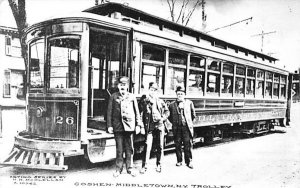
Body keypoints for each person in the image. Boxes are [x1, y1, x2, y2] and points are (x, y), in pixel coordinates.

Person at [107, 76, 144, 177]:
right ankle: (118, 169)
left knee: (129, 149)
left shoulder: (132, 97)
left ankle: (130, 168)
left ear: (127, 86)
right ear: (118, 86)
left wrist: (138, 125)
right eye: (120, 85)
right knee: (119, 149)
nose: (122, 87)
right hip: (118, 127)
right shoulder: (113, 96)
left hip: (129, 127)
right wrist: (109, 126)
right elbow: (109, 112)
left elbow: (137, 112)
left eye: (124, 85)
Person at [138, 82, 169, 174]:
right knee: (147, 145)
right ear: (149, 90)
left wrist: (163, 119)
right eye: (151, 90)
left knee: (160, 146)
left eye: (155, 90)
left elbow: (167, 112)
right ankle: (144, 166)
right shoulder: (145, 100)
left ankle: (159, 165)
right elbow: (139, 111)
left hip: (159, 125)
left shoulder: (160, 101)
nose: (153, 92)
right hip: (149, 126)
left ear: (157, 92)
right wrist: (141, 126)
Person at [168, 86, 196, 169]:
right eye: (178, 94)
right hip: (177, 128)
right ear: (176, 95)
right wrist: (175, 123)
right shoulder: (172, 105)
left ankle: (189, 161)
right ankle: (179, 161)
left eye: (181, 94)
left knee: (188, 145)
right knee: (178, 145)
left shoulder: (189, 103)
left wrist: (188, 123)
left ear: (184, 95)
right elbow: (169, 117)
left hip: (186, 128)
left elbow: (193, 115)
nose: (179, 95)